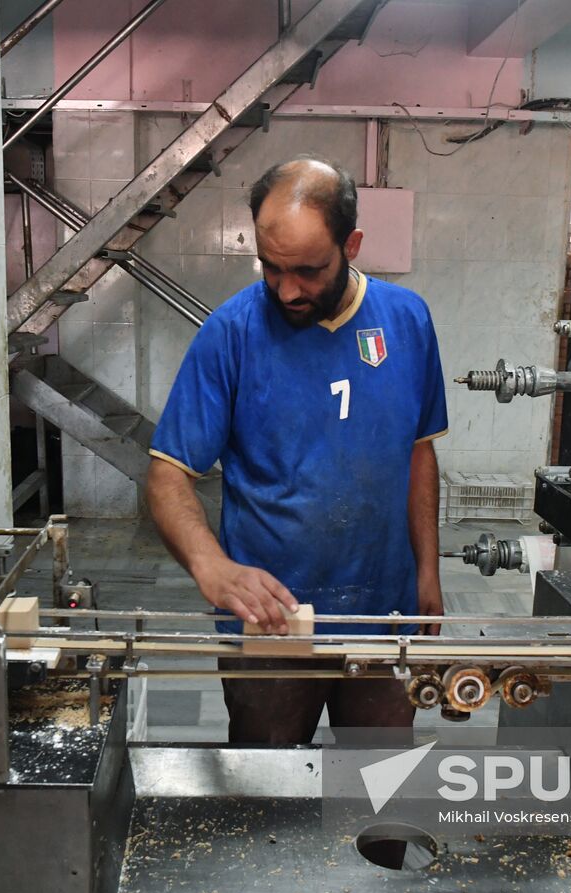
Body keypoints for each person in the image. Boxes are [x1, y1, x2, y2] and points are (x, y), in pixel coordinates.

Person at [146, 157, 448, 743]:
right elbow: (167, 475)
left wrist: (428, 571)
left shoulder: (407, 321)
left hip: (383, 611)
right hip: (271, 622)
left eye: (308, 271)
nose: (287, 290)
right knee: (270, 785)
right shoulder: (231, 334)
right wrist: (212, 566)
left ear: (351, 245)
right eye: (272, 267)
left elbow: (419, 454)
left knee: (381, 776)